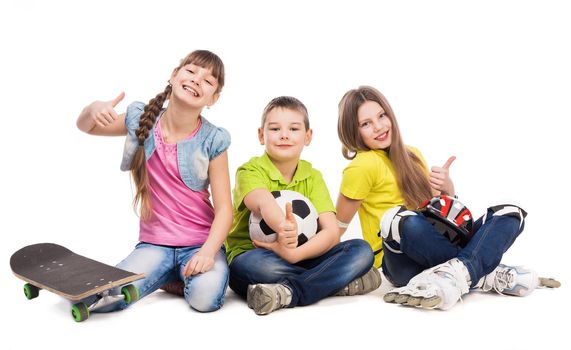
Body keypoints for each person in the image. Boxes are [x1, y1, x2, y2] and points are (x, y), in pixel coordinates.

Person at [335, 85, 560, 310]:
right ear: (353, 132)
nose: (378, 126)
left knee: (510, 213)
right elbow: (337, 228)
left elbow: (434, 211)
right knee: (399, 219)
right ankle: (485, 273)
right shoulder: (361, 166)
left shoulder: (411, 154)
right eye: (366, 124)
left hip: (437, 246)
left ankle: (459, 275)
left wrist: (447, 190)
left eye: (382, 116)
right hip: (402, 261)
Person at [75, 50, 232, 313]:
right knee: (104, 296)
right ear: (173, 76)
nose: (196, 80)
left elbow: (225, 208)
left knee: (204, 299)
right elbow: (86, 126)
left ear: (213, 98)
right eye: (191, 71)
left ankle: (173, 276)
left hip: (200, 243)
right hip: (154, 244)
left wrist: (208, 252)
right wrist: (93, 109)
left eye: (208, 80)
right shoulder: (143, 119)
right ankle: (168, 274)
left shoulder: (213, 139)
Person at [225, 96, 380, 315]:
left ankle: (288, 292)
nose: (284, 135)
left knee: (362, 251)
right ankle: (333, 282)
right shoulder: (250, 170)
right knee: (252, 268)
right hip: (256, 254)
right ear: (261, 135)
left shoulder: (313, 177)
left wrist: (294, 255)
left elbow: (331, 232)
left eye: (294, 129)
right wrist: (283, 227)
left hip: (304, 255)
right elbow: (262, 201)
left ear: (308, 136)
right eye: (275, 128)